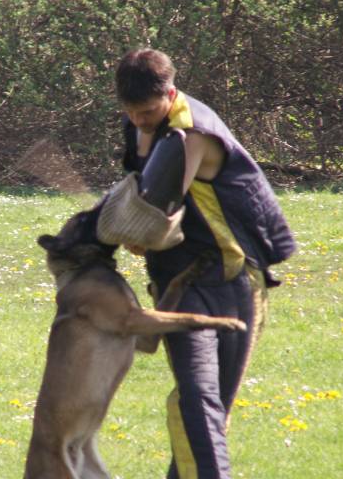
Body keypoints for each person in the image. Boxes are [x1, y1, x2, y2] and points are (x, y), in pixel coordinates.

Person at [99, 48, 296, 479]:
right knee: (196, 400)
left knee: (209, 409)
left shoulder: (192, 135)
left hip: (233, 282)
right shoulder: (139, 125)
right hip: (182, 284)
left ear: (170, 94)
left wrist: (132, 232)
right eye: (130, 112)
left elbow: (154, 219)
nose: (137, 121)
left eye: (147, 112)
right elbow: (142, 198)